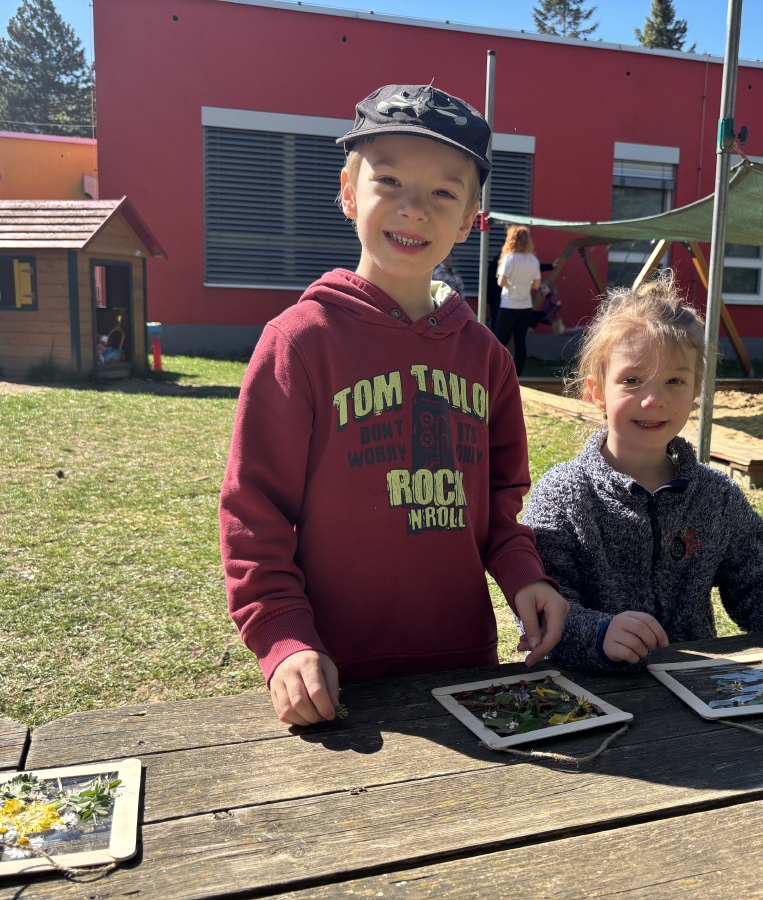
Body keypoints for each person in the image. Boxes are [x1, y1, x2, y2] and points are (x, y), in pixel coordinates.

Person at [220, 83, 568, 726]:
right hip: (334, 677)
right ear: (349, 192)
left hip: (465, 669)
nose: (413, 209)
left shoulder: (488, 358)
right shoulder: (299, 342)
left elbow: (500, 505)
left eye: (443, 193)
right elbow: (253, 513)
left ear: (469, 219)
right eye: (389, 181)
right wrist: (283, 636)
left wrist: (526, 577)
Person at [523, 273, 763, 672]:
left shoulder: (715, 496)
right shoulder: (563, 495)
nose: (653, 399)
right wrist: (597, 633)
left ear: (696, 389)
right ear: (595, 391)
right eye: (632, 380)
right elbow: (540, 607)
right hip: (589, 694)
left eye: (675, 380)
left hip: (700, 691)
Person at [494, 226, 541, 376]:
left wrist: (510, 281)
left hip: (509, 305)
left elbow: (501, 282)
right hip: (526, 306)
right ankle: (518, 373)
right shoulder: (533, 260)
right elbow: (536, 285)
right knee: (520, 341)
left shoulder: (510, 258)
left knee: (500, 341)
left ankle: (497, 371)